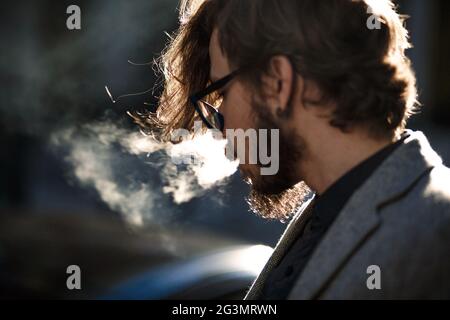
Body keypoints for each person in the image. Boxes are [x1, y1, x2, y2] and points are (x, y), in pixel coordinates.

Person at [132, 0, 450, 299]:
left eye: (223, 94)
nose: (220, 129)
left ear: (278, 83)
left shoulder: (437, 230)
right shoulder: (330, 210)